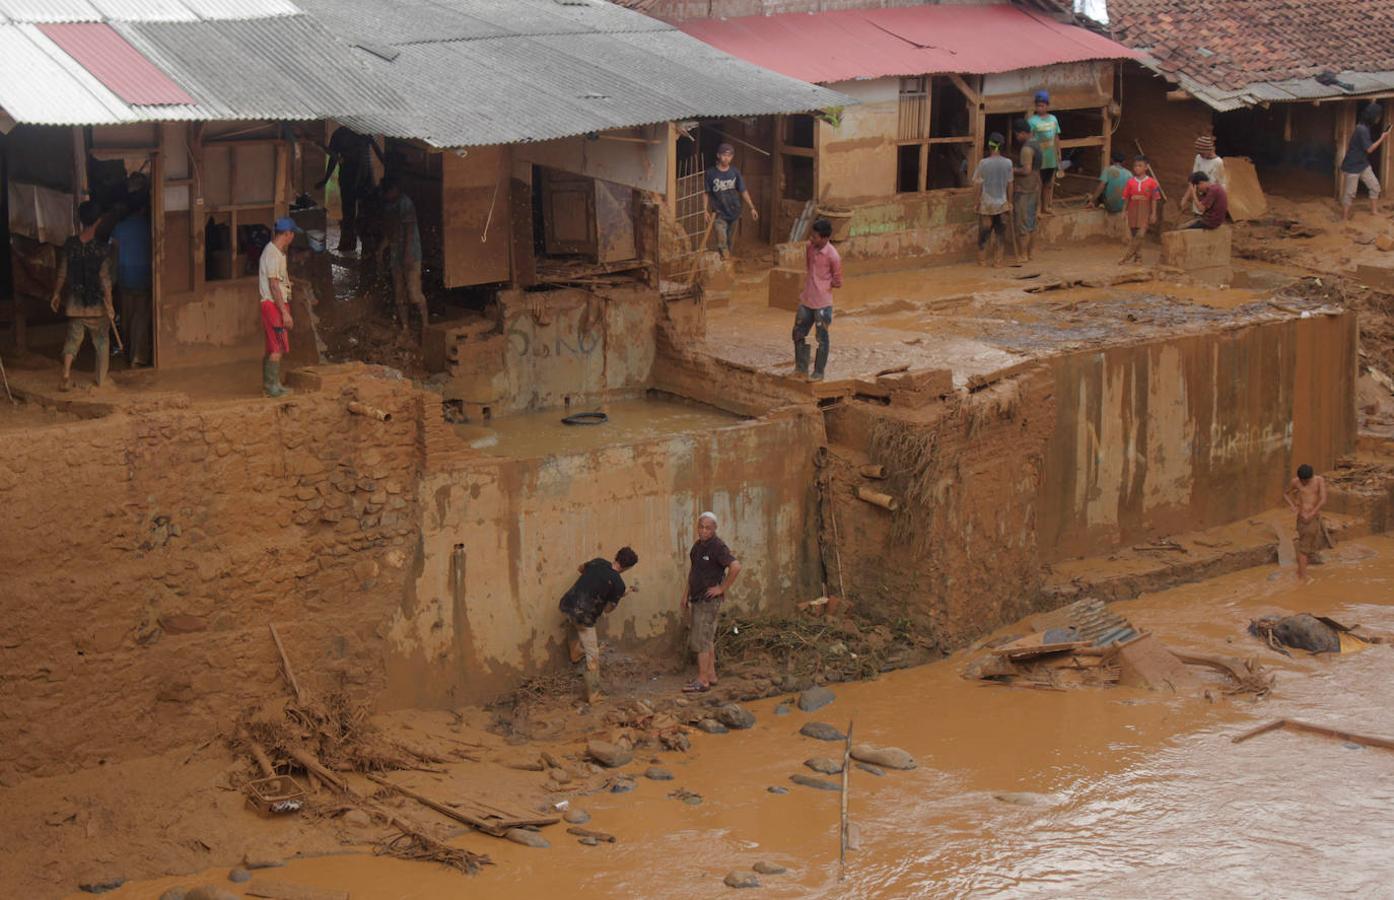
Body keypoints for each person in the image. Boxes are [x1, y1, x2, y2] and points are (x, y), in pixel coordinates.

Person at [558, 547, 639, 704]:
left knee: (573, 623)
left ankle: (575, 652)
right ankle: (594, 694)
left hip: (567, 604)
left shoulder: (598, 562)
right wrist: (613, 600)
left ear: (616, 556)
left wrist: (592, 583)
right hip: (584, 616)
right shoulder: (618, 584)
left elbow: (581, 568)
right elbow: (608, 609)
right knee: (593, 654)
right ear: (628, 567)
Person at [49, 201, 114, 392]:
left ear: (81, 219)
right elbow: (105, 280)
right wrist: (110, 304)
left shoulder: (70, 245)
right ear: (98, 221)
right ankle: (101, 380)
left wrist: (56, 293)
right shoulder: (102, 248)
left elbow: (62, 272)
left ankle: (66, 374)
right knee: (102, 341)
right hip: (97, 306)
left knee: (72, 340)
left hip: (75, 304)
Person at [681, 512, 741, 693]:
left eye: (708, 527)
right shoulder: (698, 547)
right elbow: (693, 571)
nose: (703, 530)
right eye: (701, 527)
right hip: (697, 598)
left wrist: (721, 588)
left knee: (701, 640)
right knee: (707, 639)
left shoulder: (717, 547)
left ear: (714, 529)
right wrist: (685, 594)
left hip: (708, 601)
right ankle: (711, 675)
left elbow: (736, 566)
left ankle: (702, 680)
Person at [317, 125, 383, 253]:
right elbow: (334, 158)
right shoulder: (342, 133)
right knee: (350, 212)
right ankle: (350, 244)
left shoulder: (362, 130)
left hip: (363, 176)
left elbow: (376, 148)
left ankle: (363, 246)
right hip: (353, 175)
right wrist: (325, 179)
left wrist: (387, 165)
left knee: (363, 212)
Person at [110, 174, 152, 367]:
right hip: (144, 278)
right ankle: (138, 356)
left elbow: (114, 254)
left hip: (125, 277)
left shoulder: (119, 228)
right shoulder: (149, 227)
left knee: (126, 317)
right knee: (141, 318)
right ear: (143, 208)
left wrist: (113, 278)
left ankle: (127, 353)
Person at [793, 218, 842, 381]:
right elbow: (809, 267)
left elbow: (838, 281)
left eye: (815, 237)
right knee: (798, 333)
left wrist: (822, 286)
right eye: (811, 236)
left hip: (822, 304)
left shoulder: (833, 256)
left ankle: (819, 372)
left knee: (822, 338)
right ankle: (801, 368)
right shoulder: (809, 248)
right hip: (806, 300)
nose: (811, 239)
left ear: (825, 238)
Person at [380, 176, 428, 340]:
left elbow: (408, 230)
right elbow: (391, 231)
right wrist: (381, 249)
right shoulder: (389, 205)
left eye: (388, 193)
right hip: (396, 255)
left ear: (394, 190)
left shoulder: (405, 203)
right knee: (399, 294)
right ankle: (405, 327)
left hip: (411, 254)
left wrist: (407, 255)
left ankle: (426, 326)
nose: (386, 196)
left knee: (414, 293)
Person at [258, 218, 301, 398]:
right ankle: (271, 387)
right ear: (287, 234)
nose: (293, 238)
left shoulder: (274, 251)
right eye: (293, 234)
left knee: (273, 347)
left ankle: (272, 384)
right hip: (274, 305)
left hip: (273, 304)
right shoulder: (273, 254)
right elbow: (274, 285)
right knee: (278, 347)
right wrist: (284, 312)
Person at [705, 143, 758, 258]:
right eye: (724, 155)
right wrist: (704, 210)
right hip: (719, 213)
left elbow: (743, 191)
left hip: (734, 212)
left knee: (729, 242)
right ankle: (725, 260)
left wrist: (752, 208)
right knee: (721, 239)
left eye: (729, 156)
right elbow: (706, 193)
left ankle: (725, 264)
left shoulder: (735, 172)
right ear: (718, 155)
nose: (726, 158)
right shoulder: (710, 173)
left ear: (732, 157)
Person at [1340, 105, 1391, 221]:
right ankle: (1344, 218)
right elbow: (1369, 149)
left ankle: (1374, 211)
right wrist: (1383, 138)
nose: (1379, 119)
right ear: (1373, 116)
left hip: (1362, 164)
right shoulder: (1361, 129)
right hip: (1353, 165)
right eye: (1378, 116)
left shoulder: (1364, 128)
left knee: (1375, 187)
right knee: (1350, 193)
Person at [972, 132, 1014, 267]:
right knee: (1000, 234)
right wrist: (1010, 202)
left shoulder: (983, 163)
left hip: (986, 203)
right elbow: (1010, 184)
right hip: (1002, 203)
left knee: (984, 234)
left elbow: (978, 184)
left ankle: (982, 261)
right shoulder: (1008, 163)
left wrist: (976, 202)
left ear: (989, 146)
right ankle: (998, 262)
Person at [1284, 463, 1330, 581]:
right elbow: (1285, 494)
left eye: (1306, 481)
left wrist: (1313, 513)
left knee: (1306, 545)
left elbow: (1323, 499)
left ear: (1311, 477)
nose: (1303, 483)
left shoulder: (1319, 480)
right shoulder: (1295, 482)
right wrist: (1293, 506)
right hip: (1302, 518)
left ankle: (1300, 571)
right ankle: (1302, 577)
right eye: (1301, 480)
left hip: (1313, 517)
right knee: (1304, 548)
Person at [1011, 119, 1042, 263]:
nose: (1016, 137)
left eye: (1017, 135)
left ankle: (1023, 255)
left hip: (1025, 189)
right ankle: (1031, 253)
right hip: (1035, 187)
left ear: (1023, 133)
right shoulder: (1037, 144)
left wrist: (1011, 170)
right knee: (1031, 223)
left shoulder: (1026, 149)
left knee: (1022, 224)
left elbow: (1026, 170)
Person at [1120, 156, 1160, 264]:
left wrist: (1153, 213)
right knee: (1134, 235)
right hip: (1132, 209)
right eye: (1135, 166)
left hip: (1145, 210)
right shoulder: (1130, 182)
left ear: (1146, 167)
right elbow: (1127, 198)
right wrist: (1124, 211)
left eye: (1140, 165)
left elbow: (1154, 199)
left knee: (1141, 234)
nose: (1137, 168)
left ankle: (1127, 256)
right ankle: (1138, 257)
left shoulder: (1152, 182)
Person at [1028, 91, 1062, 215]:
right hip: (1038, 157)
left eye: (1042, 105)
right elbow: (1030, 139)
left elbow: (1056, 137)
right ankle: (1037, 209)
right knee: (1038, 184)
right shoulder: (1032, 121)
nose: (1040, 108)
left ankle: (1045, 207)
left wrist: (1059, 154)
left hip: (1051, 158)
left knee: (1048, 184)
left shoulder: (1053, 119)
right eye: (1038, 105)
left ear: (1047, 106)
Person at [1179, 135, 1227, 216]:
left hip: (1210, 201)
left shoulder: (1218, 162)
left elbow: (1222, 184)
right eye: (1199, 153)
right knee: (1197, 217)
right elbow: (1193, 180)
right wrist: (1185, 198)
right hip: (1198, 197)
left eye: (1202, 152)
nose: (1200, 155)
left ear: (1208, 150)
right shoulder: (1199, 158)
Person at [1089, 151, 1131, 239]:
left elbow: (1101, 187)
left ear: (1112, 160)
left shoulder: (1108, 170)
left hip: (1109, 205)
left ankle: (1093, 205)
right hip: (1122, 206)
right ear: (1124, 162)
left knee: (1099, 192)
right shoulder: (1129, 174)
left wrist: (1092, 200)